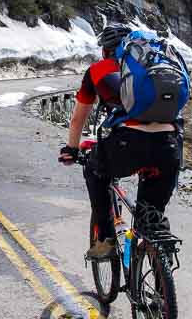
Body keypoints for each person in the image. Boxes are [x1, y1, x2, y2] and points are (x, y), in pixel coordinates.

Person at [58, 24, 183, 259]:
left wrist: (72, 150)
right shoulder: (156, 67)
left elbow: (77, 120)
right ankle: (159, 269)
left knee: (95, 172)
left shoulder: (98, 70)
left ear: (105, 50)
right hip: (170, 144)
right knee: (150, 215)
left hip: (129, 144)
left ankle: (106, 240)